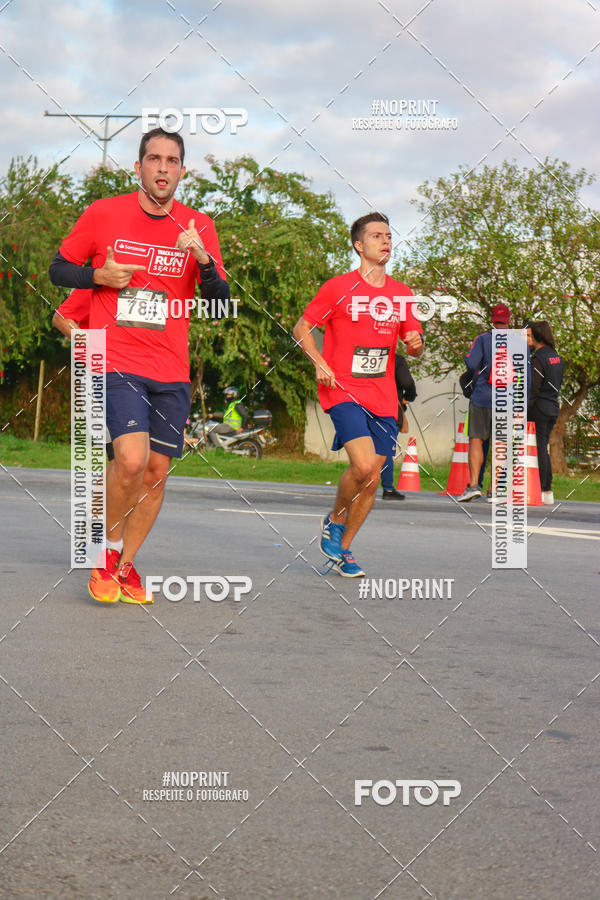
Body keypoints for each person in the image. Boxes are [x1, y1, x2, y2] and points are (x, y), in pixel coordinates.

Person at [49, 127, 229, 604]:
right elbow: (58, 268)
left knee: (155, 472)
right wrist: (97, 276)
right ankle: (104, 552)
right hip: (117, 360)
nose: (163, 168)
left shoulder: (198, 225)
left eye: (172, 160)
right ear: (139, 167)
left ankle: (125, 566)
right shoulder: (104, 212)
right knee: (129, 460)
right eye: (154, 159)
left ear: (182, 171)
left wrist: (205, 262)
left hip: (171, 367)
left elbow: (220, 300)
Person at [293, 212, 424, 576]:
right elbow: (302, 327)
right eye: (377, 236)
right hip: (343, 388)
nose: (386, 241)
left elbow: (414, 347)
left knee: (372, 476)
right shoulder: (337, 288)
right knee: (364, 466)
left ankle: (344, 548)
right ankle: (335, 520)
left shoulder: (402, 294)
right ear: (359, 245)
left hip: (383, 394)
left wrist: (415, 343)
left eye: (389, 235)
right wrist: (319, 360)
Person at [52, 288, 115, 462]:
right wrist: (95, 345)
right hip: (102, 373)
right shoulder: (97, 285)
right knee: (121, 459)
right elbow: (61, 318)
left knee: (147, 465)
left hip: (145, 374)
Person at [458, 303, 512, 502]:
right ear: (508, 320)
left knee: (476, 440)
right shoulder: (519, 343)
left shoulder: (482, 339)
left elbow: (471, 363)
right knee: (500, 443)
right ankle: (496, 490)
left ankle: (473, 485)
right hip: (506, 401)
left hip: (482, 397)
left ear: (492, 320)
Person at [527, 320, 564, 505]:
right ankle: (547, 489)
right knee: (544, 447)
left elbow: (533, 387)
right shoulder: (556, 357)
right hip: (553, 406)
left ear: (536, 337)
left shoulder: (538, 359)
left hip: (539, 407)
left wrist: (524, 407)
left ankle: (544, 487)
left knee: (539, 448)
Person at [380, 354, 417, 500]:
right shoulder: (396, 359)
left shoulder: (364, 352)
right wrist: (409, 397)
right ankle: (388, 488)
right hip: (390, 409)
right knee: (385, 449)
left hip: (365, 407)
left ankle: (360, 485)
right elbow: (407, 382)